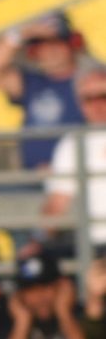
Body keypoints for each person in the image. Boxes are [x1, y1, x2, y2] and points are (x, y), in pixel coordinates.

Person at [0, 11, 93, 172]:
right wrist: (20, 34)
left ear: (72, 44)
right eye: (41, 45)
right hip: (32, 178)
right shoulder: (32, 82)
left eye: (57, 43)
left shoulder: (92, 81)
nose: (50, 51)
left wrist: (64, 170)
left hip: (77, 178)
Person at [40, 72, 106, 250]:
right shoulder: (72, 143)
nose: (97, 105)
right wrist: (39, 243)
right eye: (88, 99)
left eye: (103, 96)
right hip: (93, 246)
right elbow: (58, 203)